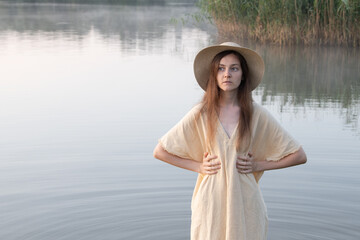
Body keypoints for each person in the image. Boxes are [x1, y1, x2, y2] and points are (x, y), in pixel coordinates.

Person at [153, 42, 307, 240]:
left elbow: (299, 155)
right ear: (214, 75)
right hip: (210, 204)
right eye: (221, 68)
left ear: (243, 75)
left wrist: (258, 164)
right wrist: (198, 166)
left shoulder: (256, 114)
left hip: (246, 204)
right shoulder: (201, 113)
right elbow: (160, 151)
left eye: (234, 68)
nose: (227, 74)